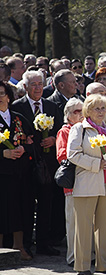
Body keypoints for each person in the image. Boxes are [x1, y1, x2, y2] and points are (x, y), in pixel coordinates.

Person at [67, 94, 106, 275]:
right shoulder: (79, 129)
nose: (101, 112)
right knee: (84, 226)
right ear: (87, 110)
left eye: (103, 108)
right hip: (87, 183)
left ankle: (104, 264)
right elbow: (73, 154)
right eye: (96, 108)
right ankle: (83, 265)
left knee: (104, 225)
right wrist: (97, 164)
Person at [11, 70, 64, 257]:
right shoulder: (17, 106)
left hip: (47, 165)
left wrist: (53, 138)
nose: (37, 88)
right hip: (25, 165)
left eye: (40, 84)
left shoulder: (51, 105)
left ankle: (44, 242)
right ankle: (25, 243)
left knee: (46, 204)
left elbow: (61, 129)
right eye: (33, 84)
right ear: (25, 87)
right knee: (25, 204)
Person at [0, 81, 34, 261]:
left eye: (2, 94)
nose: (0, 98)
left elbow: (31, 141)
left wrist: (23, 149)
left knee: (20, 208)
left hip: (20, 173)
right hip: (2, 174)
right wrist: (3, 153)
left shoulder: (18, 118)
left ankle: (19, 246)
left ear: (8, 96)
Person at [56, 98, 84, 266]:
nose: (80, 114)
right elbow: (62, 156)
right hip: (73, 182)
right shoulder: (65, 131)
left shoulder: (87, 129)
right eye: (76, 111)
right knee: (73, 221)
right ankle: (73, 256)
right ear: (68, 115)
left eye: (82, 110)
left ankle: (88, 254)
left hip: (89, 181)